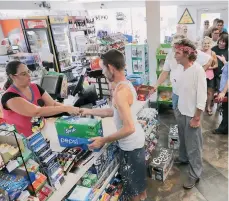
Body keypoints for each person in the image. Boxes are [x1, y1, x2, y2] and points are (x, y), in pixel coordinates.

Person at [80, 49, 147, 201]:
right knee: (140, 186)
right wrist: (89, 111)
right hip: (136, 143)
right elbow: (114, 111)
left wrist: (104, 139)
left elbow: (129, 128)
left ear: (110, 67)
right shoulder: (125, 84)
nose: (103, 73)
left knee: (134, 191)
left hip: (131, 146)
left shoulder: (120, 91)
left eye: (103, 68)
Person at [1, 61, 79, 137]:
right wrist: (66, 108)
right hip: (24, 139)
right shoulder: (9, 97)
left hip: (42, 131)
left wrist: (72, 109)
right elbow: (36, 112)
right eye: (24, 74)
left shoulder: (35, 87)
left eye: (28, 72)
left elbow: (53, 104)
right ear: (12, 76)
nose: (29, 76)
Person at [174, 39, 207, 189]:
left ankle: (195, 174)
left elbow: (202, 96)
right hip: (182, 111)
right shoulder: (182, 69)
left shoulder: (198, 70)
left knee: (194, 145)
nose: (175, 55)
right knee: (183, 138)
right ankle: (183, 158)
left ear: (187, 54)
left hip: (192, 115)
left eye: (178, 52)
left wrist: (197, 117)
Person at [153, 34, 211, 112]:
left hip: (189, 93)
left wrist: (200, 72)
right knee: (177, 112)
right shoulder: (171, 54)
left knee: (189, 116)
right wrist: (156, 85)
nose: (174, 48)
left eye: (176, 46)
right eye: (173, 46)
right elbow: (165, 72)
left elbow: (209, 59)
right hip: (176, 91)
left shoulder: (192, 53)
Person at [201, 37, 218, 115]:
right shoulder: (199, 52)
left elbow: (216, 65)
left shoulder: (212, 53)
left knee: (210, 92)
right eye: (205, 43)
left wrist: (209, 67)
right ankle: (200, 107)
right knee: (201, 92)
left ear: (210, 44)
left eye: (208, 43)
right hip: (201, 75)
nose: (206, 45)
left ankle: (208, 107)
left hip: (210, 75)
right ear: (202, 44)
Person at [213, 55, 228, 135]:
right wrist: (224, 61)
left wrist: (223, 92)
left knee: (226, 111)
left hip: (227, 91)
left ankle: (223, 129)